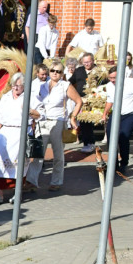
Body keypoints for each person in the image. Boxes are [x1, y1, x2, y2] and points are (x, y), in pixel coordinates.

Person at [0, 72, 42, 204]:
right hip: (5, 133)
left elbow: (40, 114)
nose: (16, 88)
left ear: (24, 86)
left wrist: (29, 110)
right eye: (14, 85)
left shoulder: (30, 97)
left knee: (18, 166)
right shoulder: (6, 97)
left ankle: (17, 194)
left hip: (21, 132)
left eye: (18, 85)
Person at [35, 60, 84, 190]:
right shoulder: (43, 85)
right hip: (42, 121)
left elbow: (79, 101)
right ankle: (31, 181)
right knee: (38, 153)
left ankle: (56, 181)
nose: (55, 73)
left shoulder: (65, 85)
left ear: (62, 73)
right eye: (53, 70)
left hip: (58, 121)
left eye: (58, 71)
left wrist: (72, 117)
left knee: (58, 154)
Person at [70, 53, 98, 153]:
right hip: (81, 101)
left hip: (95, 100)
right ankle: (87, 143)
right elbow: (70, 82)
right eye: (85, 62)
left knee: (89, 123)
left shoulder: (99, 71)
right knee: (84, 122)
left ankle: (91, 143)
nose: (87, 64)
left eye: (89, 62)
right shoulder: (79, 71)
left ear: (93, 61)